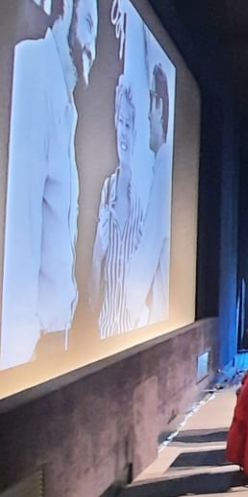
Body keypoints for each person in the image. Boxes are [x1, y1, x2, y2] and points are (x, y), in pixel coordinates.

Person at [1, 0, 100, 368]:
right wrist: (21, 356)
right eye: (90, 23)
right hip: (26, 350)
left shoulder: (64, 105)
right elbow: (18, 239)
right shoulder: (32, 77)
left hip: (50, 344)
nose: (93, 46)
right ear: (66, 0)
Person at [90, 78, 147, 338]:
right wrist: (97, 254)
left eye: (128, 125)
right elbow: (92, 294)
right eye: (120, 122)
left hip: (137, 332)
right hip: (105, 332)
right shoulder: (105, 191)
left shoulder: (142, 201)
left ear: (135, 132)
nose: (123, 132)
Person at [124, 61, 173, 326]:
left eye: (151, 101)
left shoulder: (164, 175)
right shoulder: (164, 170)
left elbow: (143, 266)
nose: (146, 117)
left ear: (160, 107)